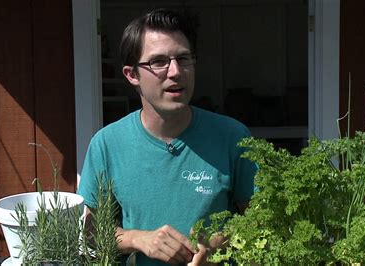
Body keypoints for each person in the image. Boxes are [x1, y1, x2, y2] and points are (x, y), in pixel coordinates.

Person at [77, 8, 257, 265]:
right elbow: (91, 232)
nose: (175, 71)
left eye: (183, 59)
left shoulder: (232, 137)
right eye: (158, 62)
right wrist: (138, 239)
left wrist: (220, 244)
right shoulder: (107, 145)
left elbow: (262, 221)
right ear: (132, 75)